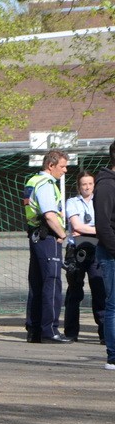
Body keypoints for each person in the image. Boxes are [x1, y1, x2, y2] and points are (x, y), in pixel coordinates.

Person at [23, 149, 73, 344]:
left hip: (36, 235)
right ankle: (50, 330)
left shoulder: (33, 181)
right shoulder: (46, 184)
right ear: (50, 166)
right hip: (48, 237)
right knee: (52, 283)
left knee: (36, 283)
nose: (65, 170)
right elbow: (50, 215)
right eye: (62, 166)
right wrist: (62, 233)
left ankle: (34, 330)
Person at [63, 170, 105, 344]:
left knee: (100, 289)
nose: (87, 187)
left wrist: (88, 228)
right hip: (77, 248)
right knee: (74, 291)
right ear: (78, 186)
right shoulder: (72, 202)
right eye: (84, 184)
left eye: (90, 184)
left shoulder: (101, 201)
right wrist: (100, 229)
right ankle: (71, 333)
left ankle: (105, 333)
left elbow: (85, 227)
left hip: (98, 248)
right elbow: (76, 225)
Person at [92, 142, 115, 369]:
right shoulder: (107, 186)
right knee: (114, 305)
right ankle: (113, 357)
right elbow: (103, 225)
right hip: (111, 254)